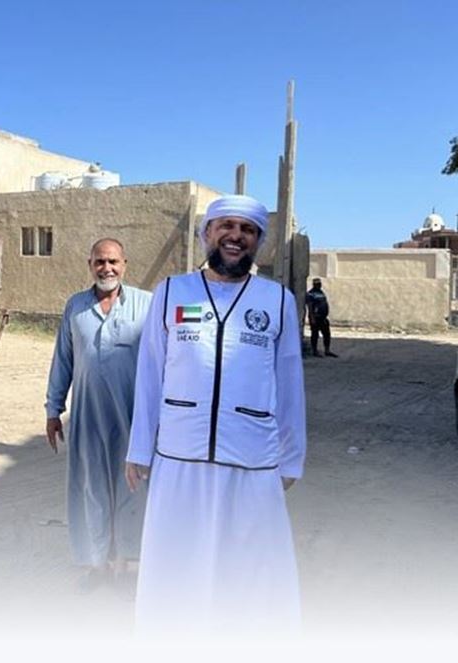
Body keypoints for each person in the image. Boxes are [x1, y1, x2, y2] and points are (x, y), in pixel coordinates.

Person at [124, 194, 307, 632]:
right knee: (176, 562)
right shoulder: (172, 292)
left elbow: (290, 382)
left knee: (250, 570)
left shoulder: (277, 300)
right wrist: (139, 448)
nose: (235, 236)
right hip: (179, 456)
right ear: (207, 233)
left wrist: (292, 455)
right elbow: (150, 374)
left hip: (252, 460)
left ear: (258, 242)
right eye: (225, 226)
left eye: (247, 230)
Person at [45, 238, 152, 590]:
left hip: (133, 418)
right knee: (90, 489)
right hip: (88, 418)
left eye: (113, 262)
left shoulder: (146, 305)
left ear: (125, 264)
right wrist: (53, 409)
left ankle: (127, 566)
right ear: (89, 264)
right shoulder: (75, 307)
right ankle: (98, 564)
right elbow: (63, 360)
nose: (107, 268)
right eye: (99, 262)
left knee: (131, 488)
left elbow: (164, 363)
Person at [306, 277, 337, 357]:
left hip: (323, 317)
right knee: (315, 334)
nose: (319, 285)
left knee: (326, 333)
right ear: (314, 285)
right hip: (316, 317)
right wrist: (312, 318)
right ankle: (314, 351)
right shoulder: (311, 293)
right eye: (317, 284)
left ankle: (327, 350)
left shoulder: (321, 292)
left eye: (320, 284)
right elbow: (310, 306)